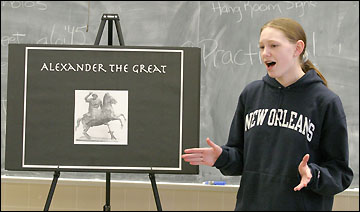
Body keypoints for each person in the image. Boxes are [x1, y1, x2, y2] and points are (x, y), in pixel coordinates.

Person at [182, 17, 353, 211]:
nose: (266, 53)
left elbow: (340, 173)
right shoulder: (251, 94)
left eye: (274, 45)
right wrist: (221, 157)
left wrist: (313, 174)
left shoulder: (325, 102)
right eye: (261, 47)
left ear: (298, 48)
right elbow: (239, 158)